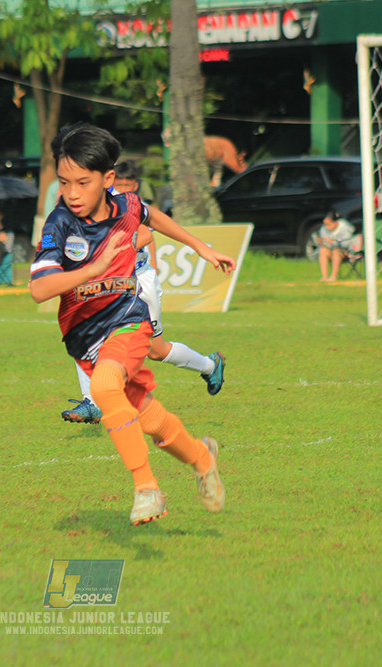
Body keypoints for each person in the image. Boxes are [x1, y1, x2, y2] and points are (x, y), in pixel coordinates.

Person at [30, 122, 235, 525]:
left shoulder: (125, 205)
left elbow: (152, 215)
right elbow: (40, 289)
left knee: (105, 389)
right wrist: (94, 268)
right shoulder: (60, 225)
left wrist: (200, 246)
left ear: (108, 179)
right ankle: (202, 458)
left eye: (82, 183)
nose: (71, 193)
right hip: (86, 339)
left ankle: (147, 489)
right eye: (64, 182)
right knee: (149, 417)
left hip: (128, 322)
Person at [61, 159, 225, 424]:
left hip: (136, 281)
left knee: (156, 350)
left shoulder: (120, 203)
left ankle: (210, 365)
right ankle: (91, 402)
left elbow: (146, 235)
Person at [314, 209, 359, 282]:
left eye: (328, 224)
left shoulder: (344, 227)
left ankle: (333, 277)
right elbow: (324, 244)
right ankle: (324, 277)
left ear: (335, 223)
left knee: (336, 251)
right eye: (325, 224)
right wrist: (321, 242)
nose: (326, 227)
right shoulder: (323, 229)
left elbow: (345, 244)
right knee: (323, 251)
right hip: (330, 250)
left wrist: (332, 242)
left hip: (345, 252)